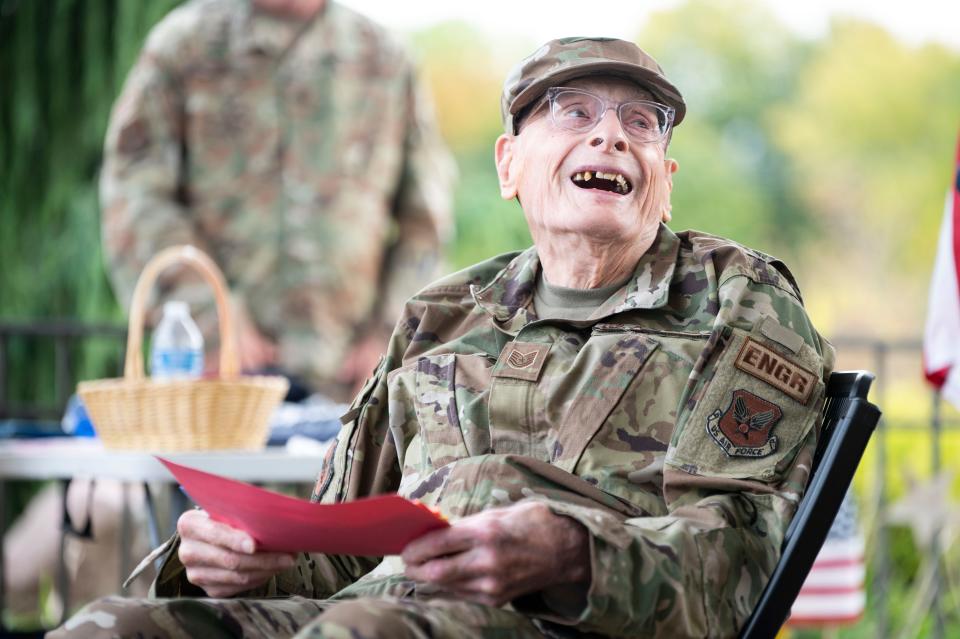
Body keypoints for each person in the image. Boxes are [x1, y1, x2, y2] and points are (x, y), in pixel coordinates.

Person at [51, 36, 834, 638]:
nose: (611, 138)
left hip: (579, 621)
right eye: (572, 112)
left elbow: (740, 559)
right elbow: (344, 545)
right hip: (373, 608)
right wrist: (245, 558)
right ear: (509, 165)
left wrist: (569, 554)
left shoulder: (738, 302)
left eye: (642, 123)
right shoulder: (445, 314)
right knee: (114, 625)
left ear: (665, 181)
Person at [100, 0, 454, 400]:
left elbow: (425, 221)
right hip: (218, 385)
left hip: (353, 392)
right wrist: (205, 317)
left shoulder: (386, 59)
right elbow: (135, 195)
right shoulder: (184, 47)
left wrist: (393, 336)